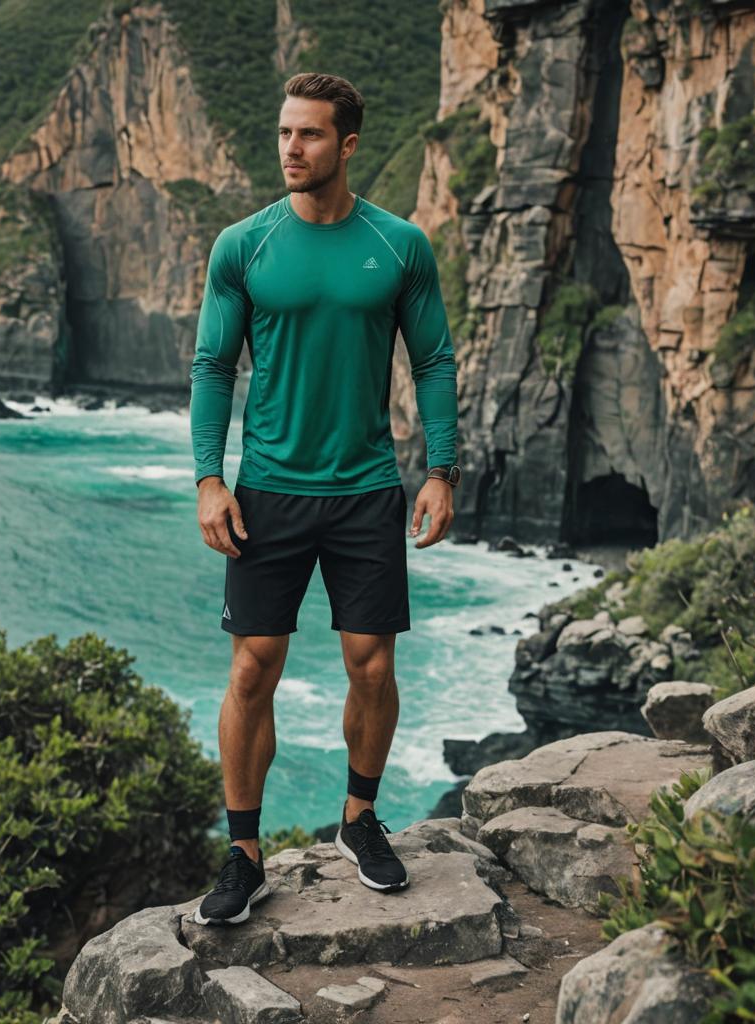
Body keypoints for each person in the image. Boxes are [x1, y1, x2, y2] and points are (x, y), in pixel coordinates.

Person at [188, 72, 461, 926]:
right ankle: (242, 854)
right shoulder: (244, 245)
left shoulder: (400, 244)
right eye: (282, 134)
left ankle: (359, 820)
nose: (290, 150)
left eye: (308, 136)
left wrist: (442, 470)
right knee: (252, 666)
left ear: (347, 145)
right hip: (267, 490)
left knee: (371, 665)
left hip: (367, 490)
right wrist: (208, 479)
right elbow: (211, 368)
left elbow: (435, 362)